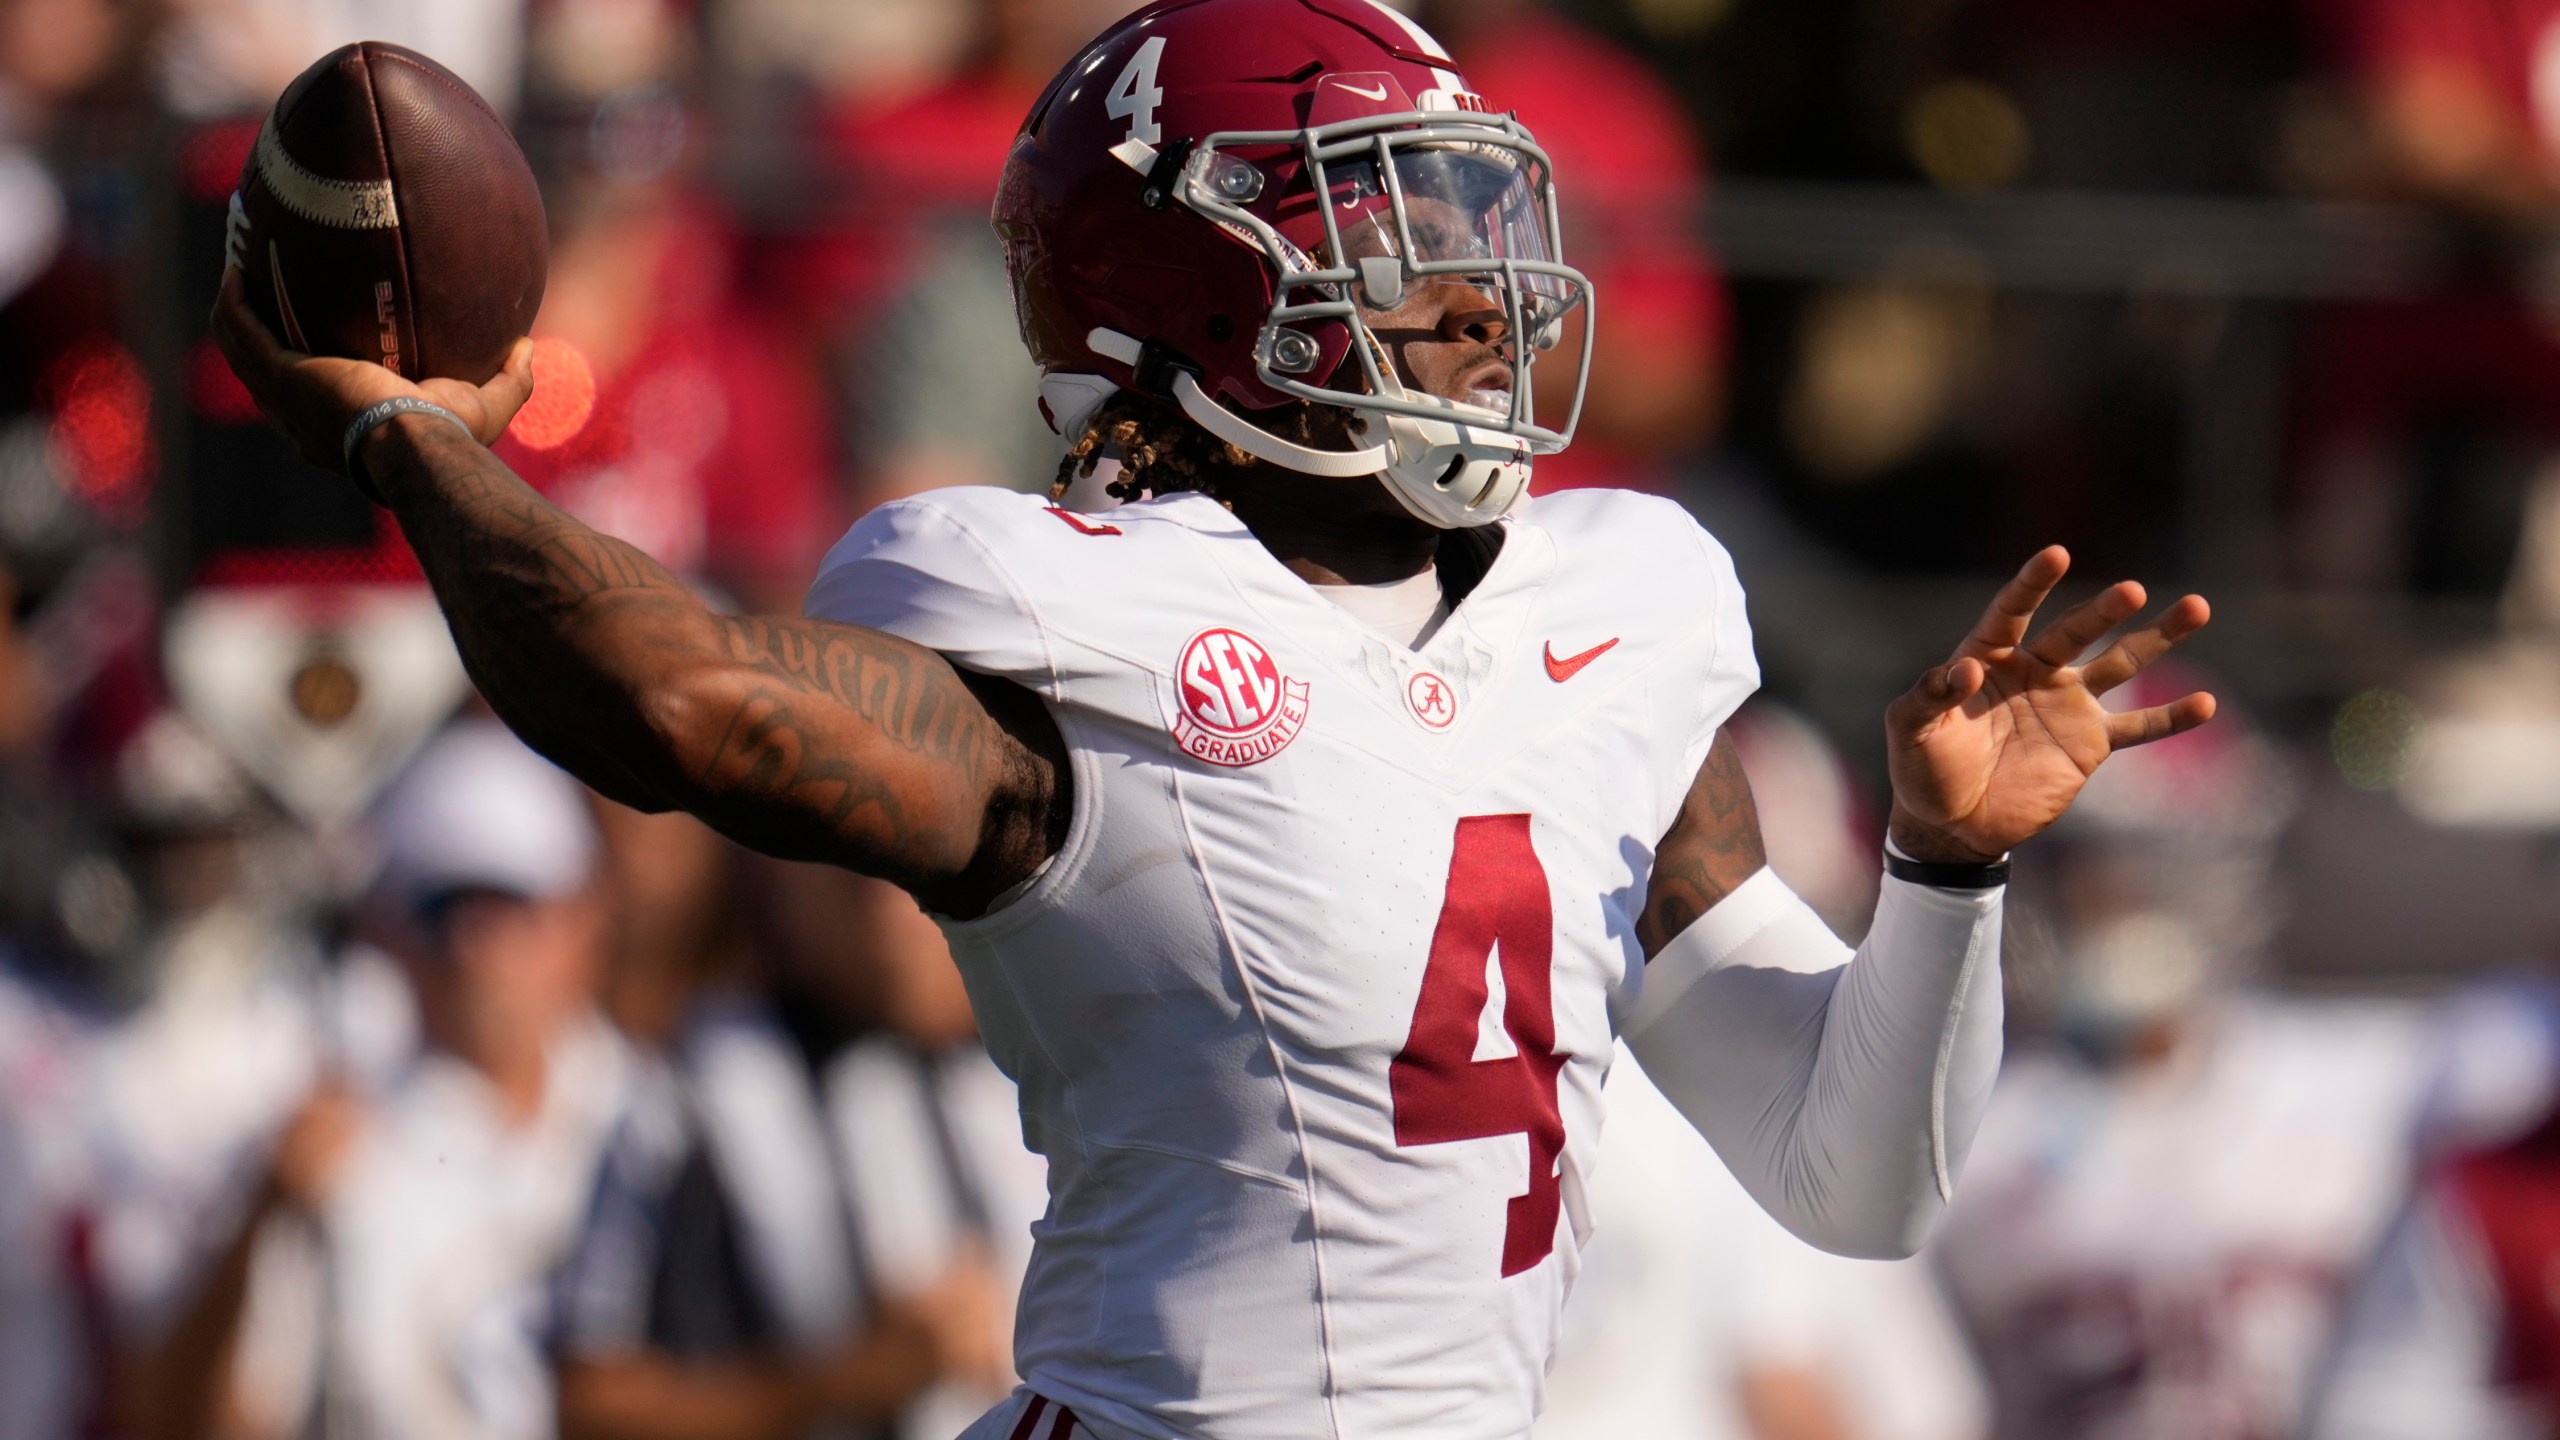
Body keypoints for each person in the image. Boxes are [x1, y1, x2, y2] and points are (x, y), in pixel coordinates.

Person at [209, 3, 2216, 1436]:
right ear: (1177, 286)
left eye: (1468, 220)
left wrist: (1943, 876)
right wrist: (414, 441)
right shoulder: (1056, 616)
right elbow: (681, 699)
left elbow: (1847, 1178)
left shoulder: (1618, 602)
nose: (1469, 292)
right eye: (1383, 224)